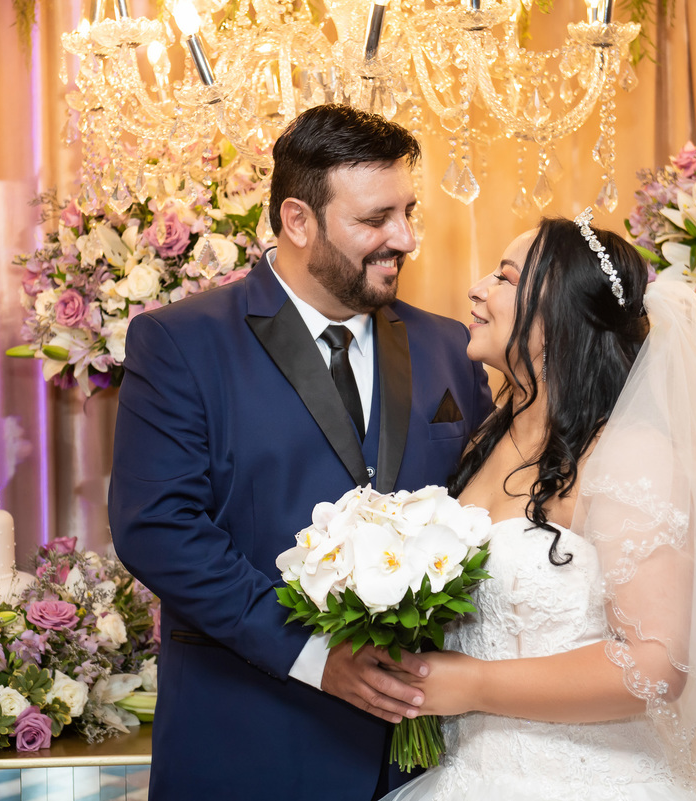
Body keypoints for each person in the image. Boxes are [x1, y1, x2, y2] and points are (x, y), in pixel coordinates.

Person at [108, 104, 493, 801]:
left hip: (431, 762)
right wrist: (315, 655)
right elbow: (158, 528)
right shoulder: (181, 343)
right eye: (376, 219)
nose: (403, 237)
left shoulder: (450, 345)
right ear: (297, 219)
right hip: (249, 749)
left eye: (409, 212)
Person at [380, 211, 696, 801]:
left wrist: (474, 685)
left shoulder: (629, 457)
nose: (476, 288)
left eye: (503, 276)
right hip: (465, 772)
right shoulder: (486, 439)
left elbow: (657, 666)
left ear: (559, 316)